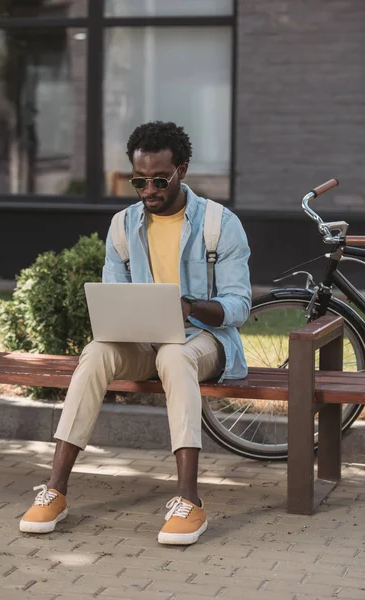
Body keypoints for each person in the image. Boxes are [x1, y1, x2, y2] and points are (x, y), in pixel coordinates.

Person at [19, 121, 251, 545]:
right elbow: (114, 294)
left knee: (174, 356)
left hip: (205, 342)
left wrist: (190, 306)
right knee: (95, 353)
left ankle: (189, 500)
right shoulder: (123, 226)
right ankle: (54, 489)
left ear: (182, 168)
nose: (148, 190)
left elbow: (240, 305)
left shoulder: (220, 224)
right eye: (139, 180)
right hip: (147, 339)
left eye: (159, 180)